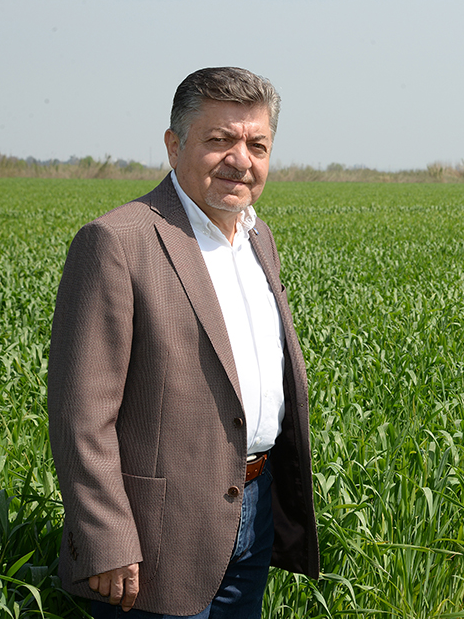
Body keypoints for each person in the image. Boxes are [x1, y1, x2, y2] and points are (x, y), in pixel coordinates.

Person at [47, 67, 319, 618]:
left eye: (257, 144)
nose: (241, 159)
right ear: (174, 146)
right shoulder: (118, 241)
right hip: (154, 537)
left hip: (254, 507)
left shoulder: (258, 237)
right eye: (220, 140)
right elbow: (81, 413)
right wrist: (107, 538)